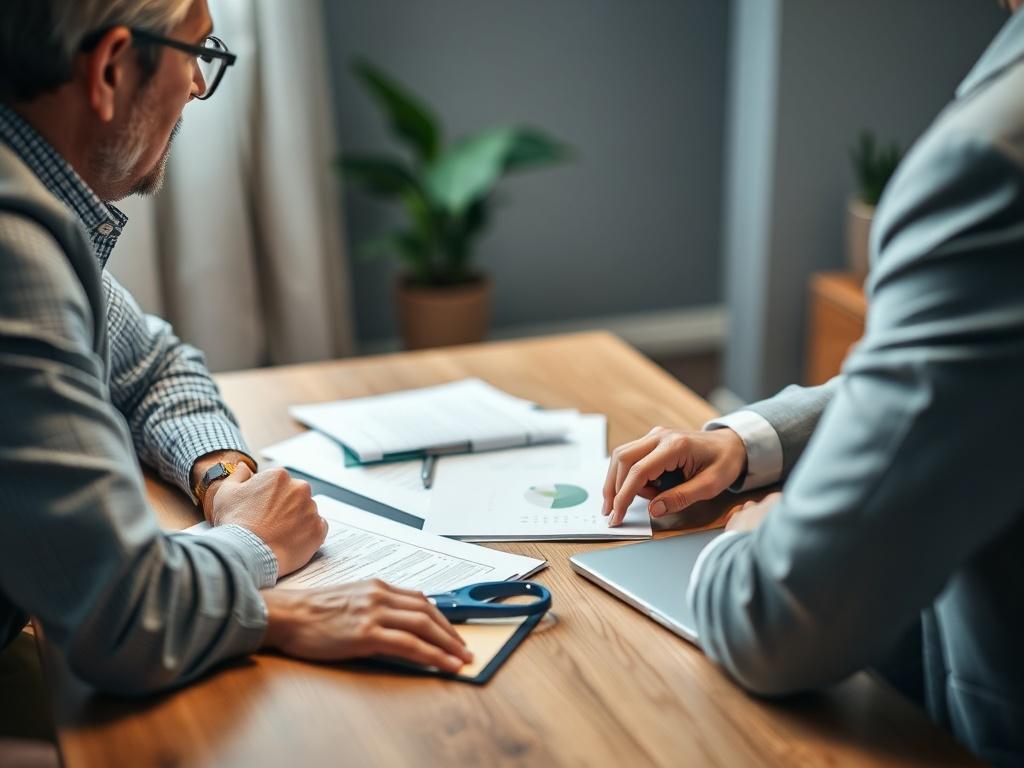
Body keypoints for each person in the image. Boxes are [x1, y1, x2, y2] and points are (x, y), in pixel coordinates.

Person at [0, 0, 473, 726]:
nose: (195, 85)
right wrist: (258, 560)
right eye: (196, 53)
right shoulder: (15, 250)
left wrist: (223, 480)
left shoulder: (31, 200)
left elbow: (154, 364)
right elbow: (125, 618)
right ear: (111, 68)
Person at [604, 4, 1024, 764]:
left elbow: (783, 625)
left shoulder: (991, 157)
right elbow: (986, 377)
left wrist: (750, 547)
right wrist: (749, 439)